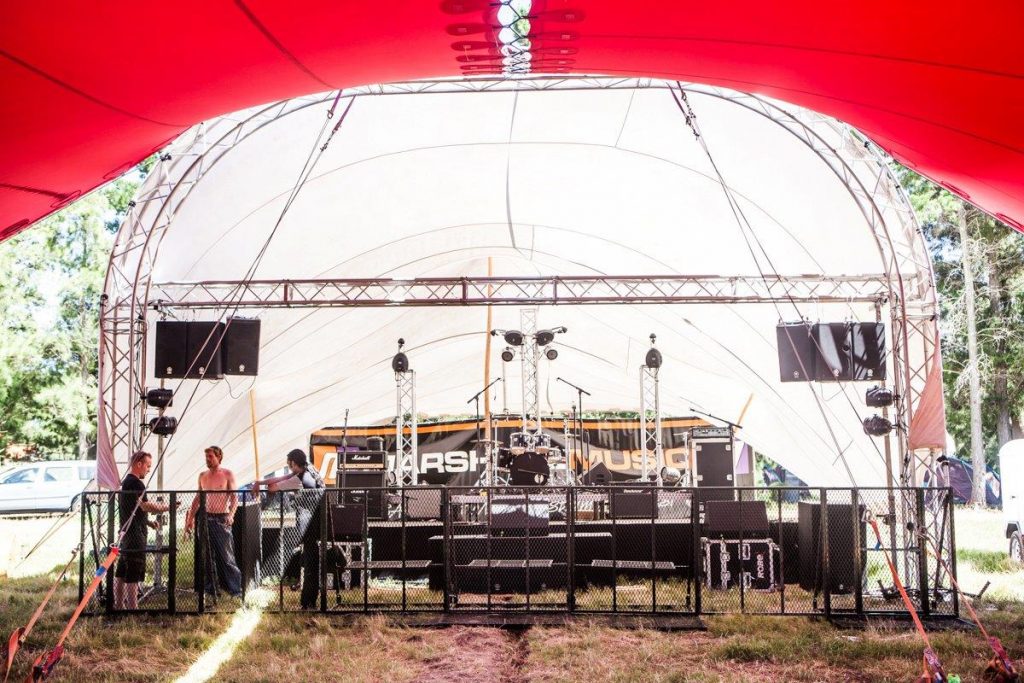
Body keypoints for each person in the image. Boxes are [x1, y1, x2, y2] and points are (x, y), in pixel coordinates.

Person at [253, 448, 325, 609]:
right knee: (310, 561)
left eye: (289, 464)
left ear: (293, 463)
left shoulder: (299, 479)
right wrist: (260, 482)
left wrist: (264, 485)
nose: (289, 467)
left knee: (311, 563)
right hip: (317, 521)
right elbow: (286, 476)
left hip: (310, 524)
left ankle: (309, 602)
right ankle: (309, 600)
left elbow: (274, 488)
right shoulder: (310, 470)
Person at [114, 451, 172, 610]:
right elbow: (145, 505)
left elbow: (133, 510)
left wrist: (148, 522)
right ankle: (133, 608)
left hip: (126, 533)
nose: (148, 469)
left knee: (122, 570)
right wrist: (168, 507)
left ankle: (119, 606)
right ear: (139, 464)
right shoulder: (136, 483)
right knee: (133, 570)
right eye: (147, 465)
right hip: (134, 535)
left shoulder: (127, 482)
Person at [184, 446, 243, 599]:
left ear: (218, 457)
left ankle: (235, 590)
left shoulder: (227, 474)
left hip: (221, 518)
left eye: (210, 456)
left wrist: (231, 515)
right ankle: (211, 589)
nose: (207, 459)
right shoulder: (202, 475)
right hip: (205, 518)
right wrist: (190, 520)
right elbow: (197, 498)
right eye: (206, 457)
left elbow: (234, 498)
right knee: (207, 556)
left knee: (227, 556)